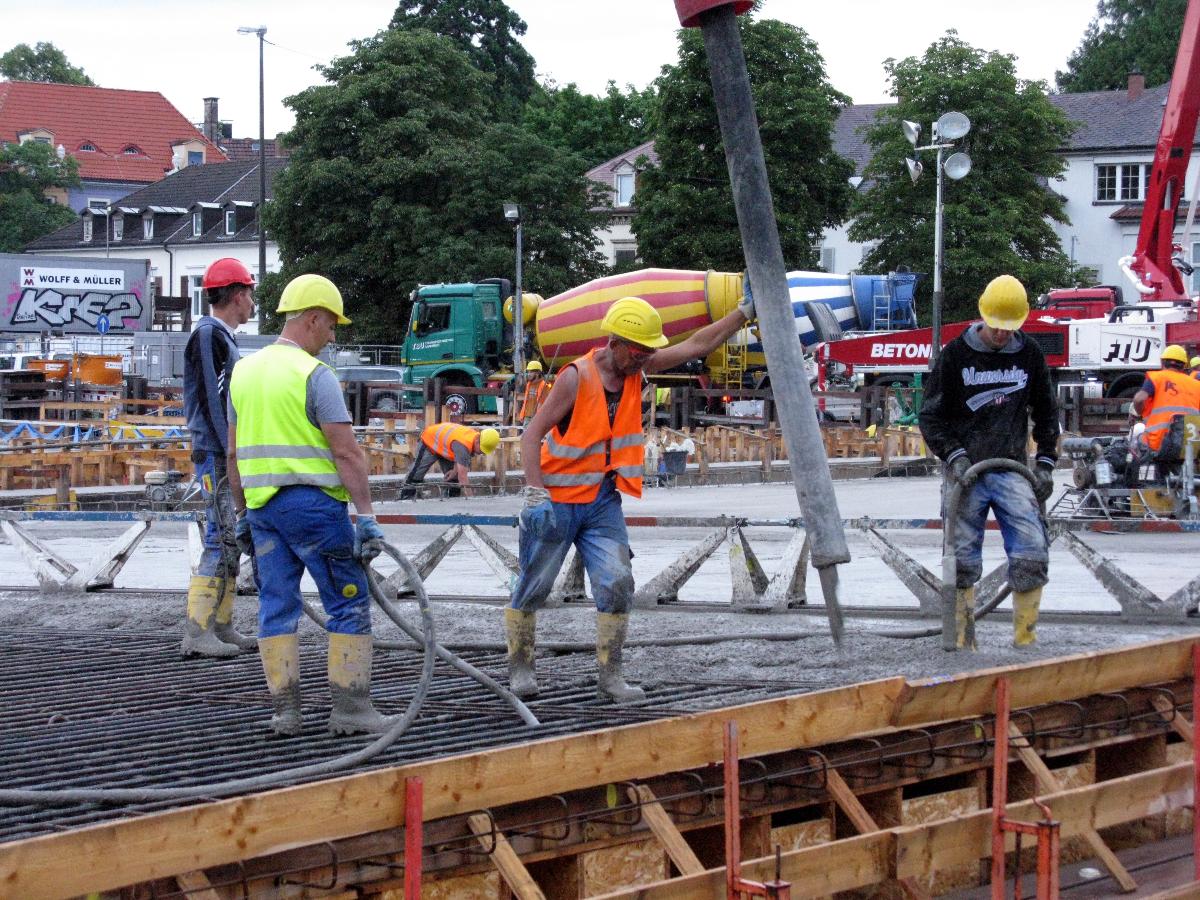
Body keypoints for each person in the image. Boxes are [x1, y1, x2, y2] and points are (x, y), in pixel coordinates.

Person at [508, 292, 754, 702]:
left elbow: (697, 344)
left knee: (618, 582)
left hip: (602, 501)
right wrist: (535, 494)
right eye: (637, 352)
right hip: (557, 501)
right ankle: (520, 668)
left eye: (647, 353)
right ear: (615, 343)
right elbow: (532, 434)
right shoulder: (574, 377)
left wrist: (744, 312)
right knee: (533, 586)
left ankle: (611, 676)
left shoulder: (637, 368)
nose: (643, 360)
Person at [227, 274, 390, 736]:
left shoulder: (244, 371)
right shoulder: (314, 376)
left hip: (263, 511)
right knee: (348, 601)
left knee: (276, 606)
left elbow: (233, 453)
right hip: (314, 509)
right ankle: (352, 710)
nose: (334, 336)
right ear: (313, 319)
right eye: (333, 326)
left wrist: (242, 514)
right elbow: (345, 451)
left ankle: (287, 712)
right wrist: (368, 518)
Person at [918, 274, 1059, 649]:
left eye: (1008, 329)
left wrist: (1045, 462)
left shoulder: (1028, 354)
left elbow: (1046, 412)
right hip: (966, 471)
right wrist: (954, 456)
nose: (1001, 335)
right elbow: (931, 416)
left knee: (1031, 550)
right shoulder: (956, 356)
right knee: (961, 558)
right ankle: (964, 642)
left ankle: (1025, 641)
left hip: (1012, 468)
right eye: (996, 327)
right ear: (984, 317)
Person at [180, 258, 258, 658]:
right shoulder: (210, 336)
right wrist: (230, 449)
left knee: (229, 538)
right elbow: (215, 400)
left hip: (220, 449)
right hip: (214, 451)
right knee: (218, 536)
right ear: (239, 294)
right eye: (250, 294)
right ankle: (198, 632)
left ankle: (222, 625)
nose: (252, 304)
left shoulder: (220, 336)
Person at [1130, 344, 1200, 469]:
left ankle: (1137, 479)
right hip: (1190, 448)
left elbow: (1138, 399)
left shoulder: (1157, 378)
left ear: (1163, 362)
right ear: (1184, 365)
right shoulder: (1197, 385)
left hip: (1158, 444)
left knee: (1133, 439)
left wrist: (1141, 413)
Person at [399, 423, 499, 500]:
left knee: (453, 477)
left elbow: (459, 459)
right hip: (430, 441)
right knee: (417, 473)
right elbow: (463, 477)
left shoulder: (473, 438)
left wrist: (454, 471)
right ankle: (405, 498)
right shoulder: (464, 445)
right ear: (477, 442)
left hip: (445, 445)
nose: (481, 453)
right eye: (481, 450)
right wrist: (471, 499)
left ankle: (452, 500)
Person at [518, 360, 550, 426]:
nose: (529, 374)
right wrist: (522, 415)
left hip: (537, 418)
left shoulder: (543, 385)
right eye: (528, 372)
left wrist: (538, 418)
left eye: (531, 372)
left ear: (537, 373)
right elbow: (526, 402)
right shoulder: (529, 384)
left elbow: (542, 403)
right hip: (527, 417)